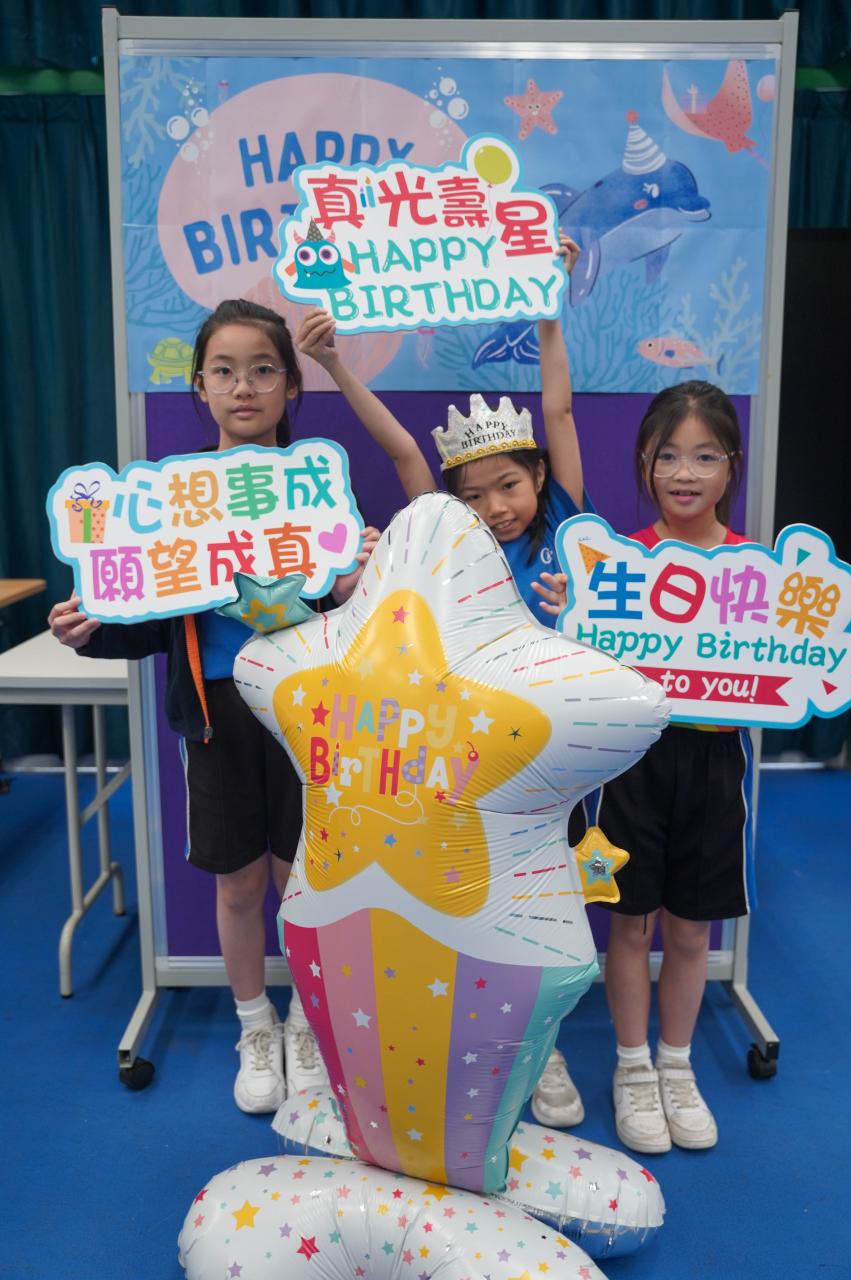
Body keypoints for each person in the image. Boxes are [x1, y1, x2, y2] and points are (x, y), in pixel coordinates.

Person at [48, 299, 381, 1116]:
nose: (243, 387)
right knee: (238, 883)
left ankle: (307, 1020)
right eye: (224, 372)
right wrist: (91, 629)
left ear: (291, 383)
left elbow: (360, 623)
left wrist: (356, 585)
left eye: (263, 370)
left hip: (308, 714)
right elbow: (152, 621)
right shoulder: (170, 502)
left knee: (306, 882)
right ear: (199, 387)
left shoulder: (318, 492)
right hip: (217, 717)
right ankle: (253, 1023)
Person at [294, 233, 588, 1129]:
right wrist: (334, 366)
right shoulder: (446, 549)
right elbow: (403, 461)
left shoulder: (566, 528)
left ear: (539, 478)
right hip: (469, 765)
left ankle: (546, 1048)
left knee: (551, 895)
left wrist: (547, 310)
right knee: (481, 900)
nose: (496, 507)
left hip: (556, 758)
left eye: (510, 485)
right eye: (475, 495)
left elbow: (559, 407)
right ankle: (480, 1037)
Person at [591, 380, 751, 1153]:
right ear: (644, 464)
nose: (684, 473)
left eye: (704, 456)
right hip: (633, 758)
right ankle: (631, 1067)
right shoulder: (616, 564)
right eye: (667, 457)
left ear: (731, 467)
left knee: (691, 930)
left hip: (715, 761)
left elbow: (787, 665)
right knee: (630, 921)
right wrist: (570, 607)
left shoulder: (759, 572)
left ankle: (676, 1065)